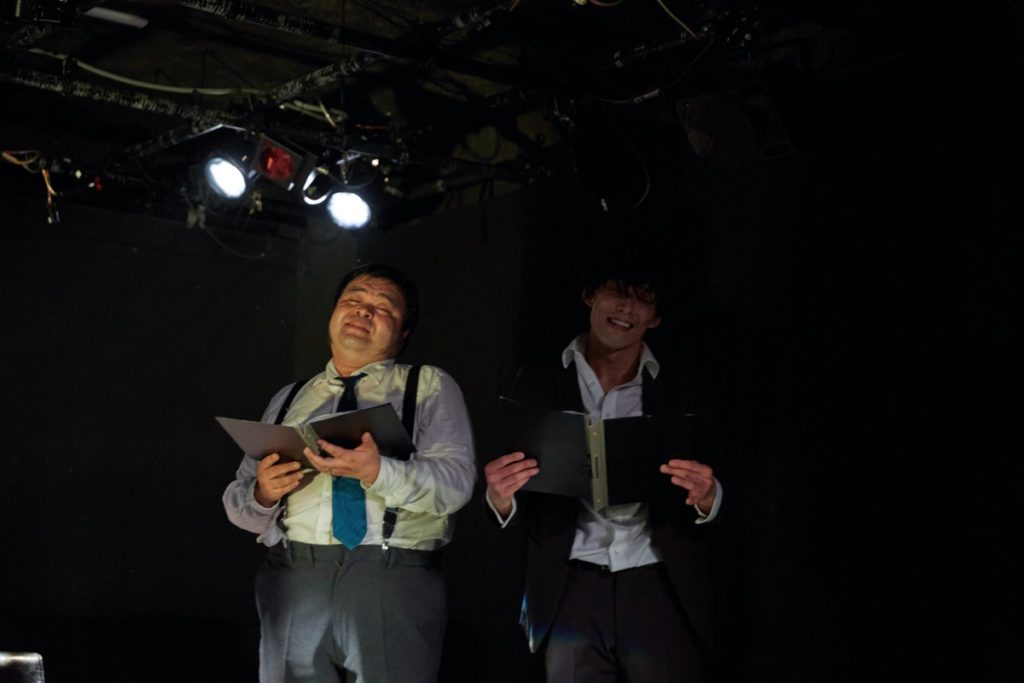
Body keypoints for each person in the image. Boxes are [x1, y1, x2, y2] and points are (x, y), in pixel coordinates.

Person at [224, 262, 476, 683]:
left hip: (390, 573)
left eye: (383, 306)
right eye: (353, 300)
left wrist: (379, 472)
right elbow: (239, 503)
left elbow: (456, 486)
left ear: (403, 331)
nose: (364, 310)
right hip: (294, 574)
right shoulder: (291, 396)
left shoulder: (428, 385)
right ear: (333, 314)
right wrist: (263, 494)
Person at [484, 260, 722, 682]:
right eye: (618, 291)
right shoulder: (538, 379)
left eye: (643, 298)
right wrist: (501, 496)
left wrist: (707, 496)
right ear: (590, 295)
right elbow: (517, 488)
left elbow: (728, 482)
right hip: (570, 587)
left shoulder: (683, 385)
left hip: (658, 584)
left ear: (656, 316)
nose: (627, 307)